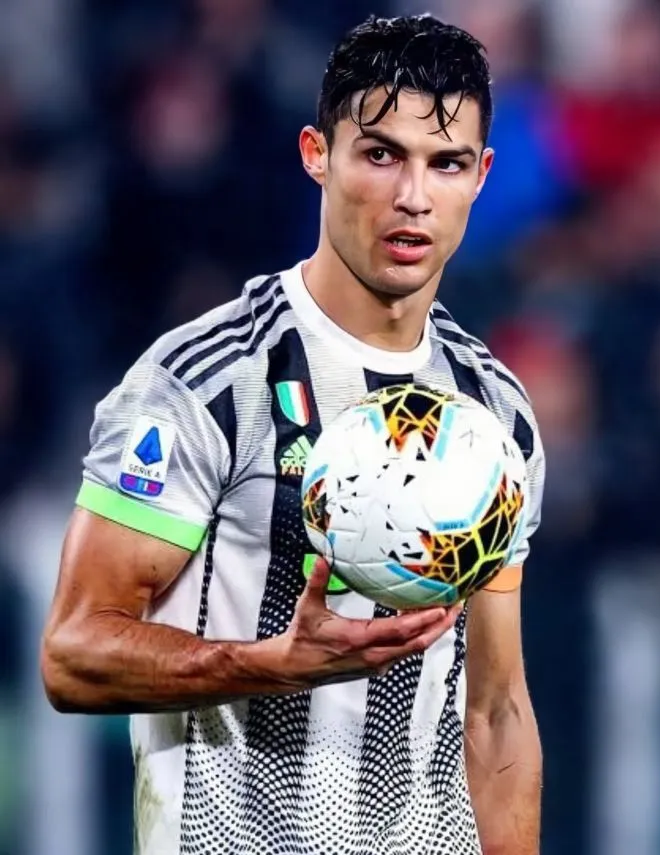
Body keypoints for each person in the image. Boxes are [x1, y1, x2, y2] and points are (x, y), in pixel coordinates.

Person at [41, 14, 545, 855]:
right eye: (380, 154)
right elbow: (72, 653)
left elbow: (495, 712)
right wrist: (270, 663)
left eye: (446, 163)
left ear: (482, 174)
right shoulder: (205, 381)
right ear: (317, 154)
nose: (413, 196)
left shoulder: (494, 413)